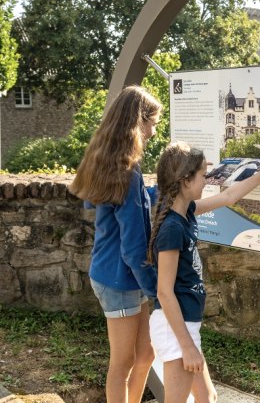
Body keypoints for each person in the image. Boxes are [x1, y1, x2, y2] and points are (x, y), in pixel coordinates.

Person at [147, 142, 260, 403]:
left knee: (207, 397)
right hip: (176, 329)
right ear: (185, 180)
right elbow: (164, 293)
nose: (206, 180)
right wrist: (187, 346)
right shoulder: (172, 228)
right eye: (202, 175)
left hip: (184, 326)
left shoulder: (186, 211)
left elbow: (228, 197)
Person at [69, 85, 162, 403]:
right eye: (152, 122)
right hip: (120, 278)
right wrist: (156, 292)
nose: (153, 130)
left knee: (146, 354)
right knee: (122, 364)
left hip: (120, 274)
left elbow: (105, 206)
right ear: (138, 122)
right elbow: (134, 248)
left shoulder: (110, 165)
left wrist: (154, 194)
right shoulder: (126, 172)